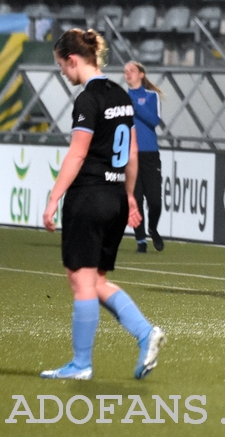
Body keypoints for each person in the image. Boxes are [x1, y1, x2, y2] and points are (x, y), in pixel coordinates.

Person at [40, 28, 165, 380]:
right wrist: (128, 196)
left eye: (62, 66)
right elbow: (133, 152)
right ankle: (145, 333)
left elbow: (78, 154)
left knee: (80, 282)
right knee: (94, 281)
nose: (63, 73)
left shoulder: (88, 99)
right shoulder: (121, 96)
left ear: (73, 59)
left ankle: (81, 364)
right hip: (114, 198)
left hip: (90, 196)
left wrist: (53, 199)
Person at [123, 60, 164, 253]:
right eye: (125, 71)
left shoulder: (150, 96)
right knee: (136, 199)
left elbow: (154, 120)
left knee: (155, 199)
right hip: (130, 154)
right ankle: (141, 240)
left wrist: (134, 106)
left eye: (132, 70)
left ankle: (153, 228)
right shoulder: (121, 97)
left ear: (141, 74)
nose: (128, 73)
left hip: (149, 154)